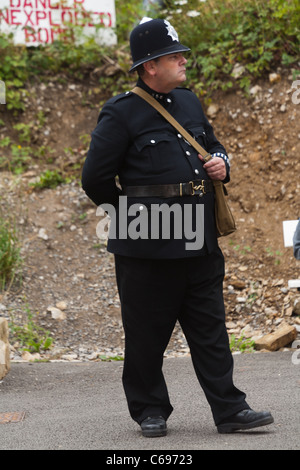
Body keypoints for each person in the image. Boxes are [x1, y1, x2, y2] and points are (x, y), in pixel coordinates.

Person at [82, 18, 274, 436]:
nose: (183, 60)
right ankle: (150, 409)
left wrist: (223, 163)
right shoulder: (121, 112)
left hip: (199, 236)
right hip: (147, 245)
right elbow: (94, 180)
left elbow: (215, 144)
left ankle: (229, 409)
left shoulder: (188, 102)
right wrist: (134, 219)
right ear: (150, 66)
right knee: (147, 332)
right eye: (174, 56)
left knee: (210, 330)